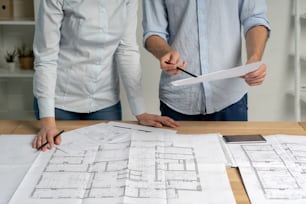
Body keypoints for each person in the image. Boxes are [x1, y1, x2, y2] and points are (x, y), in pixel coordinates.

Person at [32, 0, 178, 151]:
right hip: (58, 104)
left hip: (105, 102)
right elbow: (46, 58)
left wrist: (140, 111)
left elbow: (126, 50)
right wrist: (48, 123)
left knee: (107, 163)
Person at [142, 0, 271, 121]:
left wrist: (255, 57)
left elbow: (255, 19)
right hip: (178, 100)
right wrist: (165, 52)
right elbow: (153, 31)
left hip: (230, 98)